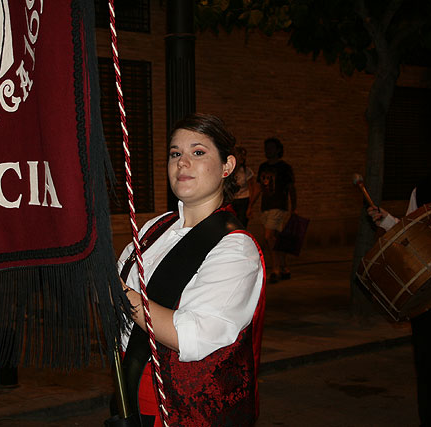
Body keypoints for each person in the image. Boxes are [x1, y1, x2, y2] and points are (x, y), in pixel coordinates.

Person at [117, 113, 265, 426]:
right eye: (175, 153)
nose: (183, 163)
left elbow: (188, 336)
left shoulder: (236, 247)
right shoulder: (156, 227)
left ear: (227, 166)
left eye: (198, 152)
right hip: (129, 393)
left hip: (184, 411)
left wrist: (115, 290)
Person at [367, 124, 431, 427]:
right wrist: (386, 221)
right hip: (429, 299)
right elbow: (410, 235)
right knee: (429, 366)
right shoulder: (422, 189)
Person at [247, 138, 296, 284]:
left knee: (269, 236)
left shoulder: (285, 167)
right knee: (277, 238)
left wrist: (294, 207)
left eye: (271, 148)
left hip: (279, 206)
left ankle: (275, 269)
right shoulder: (263, 166)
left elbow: (291, 188)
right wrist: (251, 204)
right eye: (266, 147)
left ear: (278, 149)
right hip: (266, 206)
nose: (268, 150)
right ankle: (284, 267)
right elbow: (258, 187)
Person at [233, 147, 256, 227]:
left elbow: (252, 188)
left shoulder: (247, 171)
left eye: (244, 155)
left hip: (243, 200)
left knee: (241, 225)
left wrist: (250, 206)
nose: (242, 157)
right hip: (231, 200)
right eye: (240, 155)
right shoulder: (228, 170)